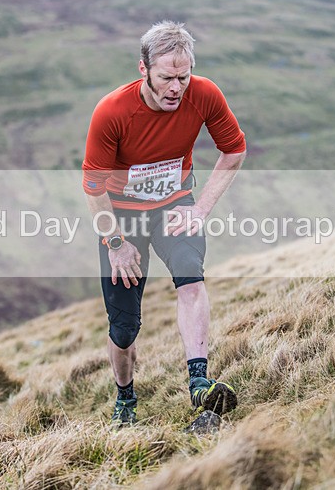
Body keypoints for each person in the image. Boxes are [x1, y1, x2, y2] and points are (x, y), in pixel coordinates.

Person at [82, 21, 247, 425]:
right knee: (124, 329)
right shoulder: (112, 111)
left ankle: (199, 383)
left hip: (175, 206)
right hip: (122, 217)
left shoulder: (204, 94)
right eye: (167, 78)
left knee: (191, 278)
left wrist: (200, 209)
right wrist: (117, 244)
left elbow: (234, 151)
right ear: (143, 70)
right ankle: (125, 396)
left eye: (183, 76)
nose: (176, 87)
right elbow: (93, 186)